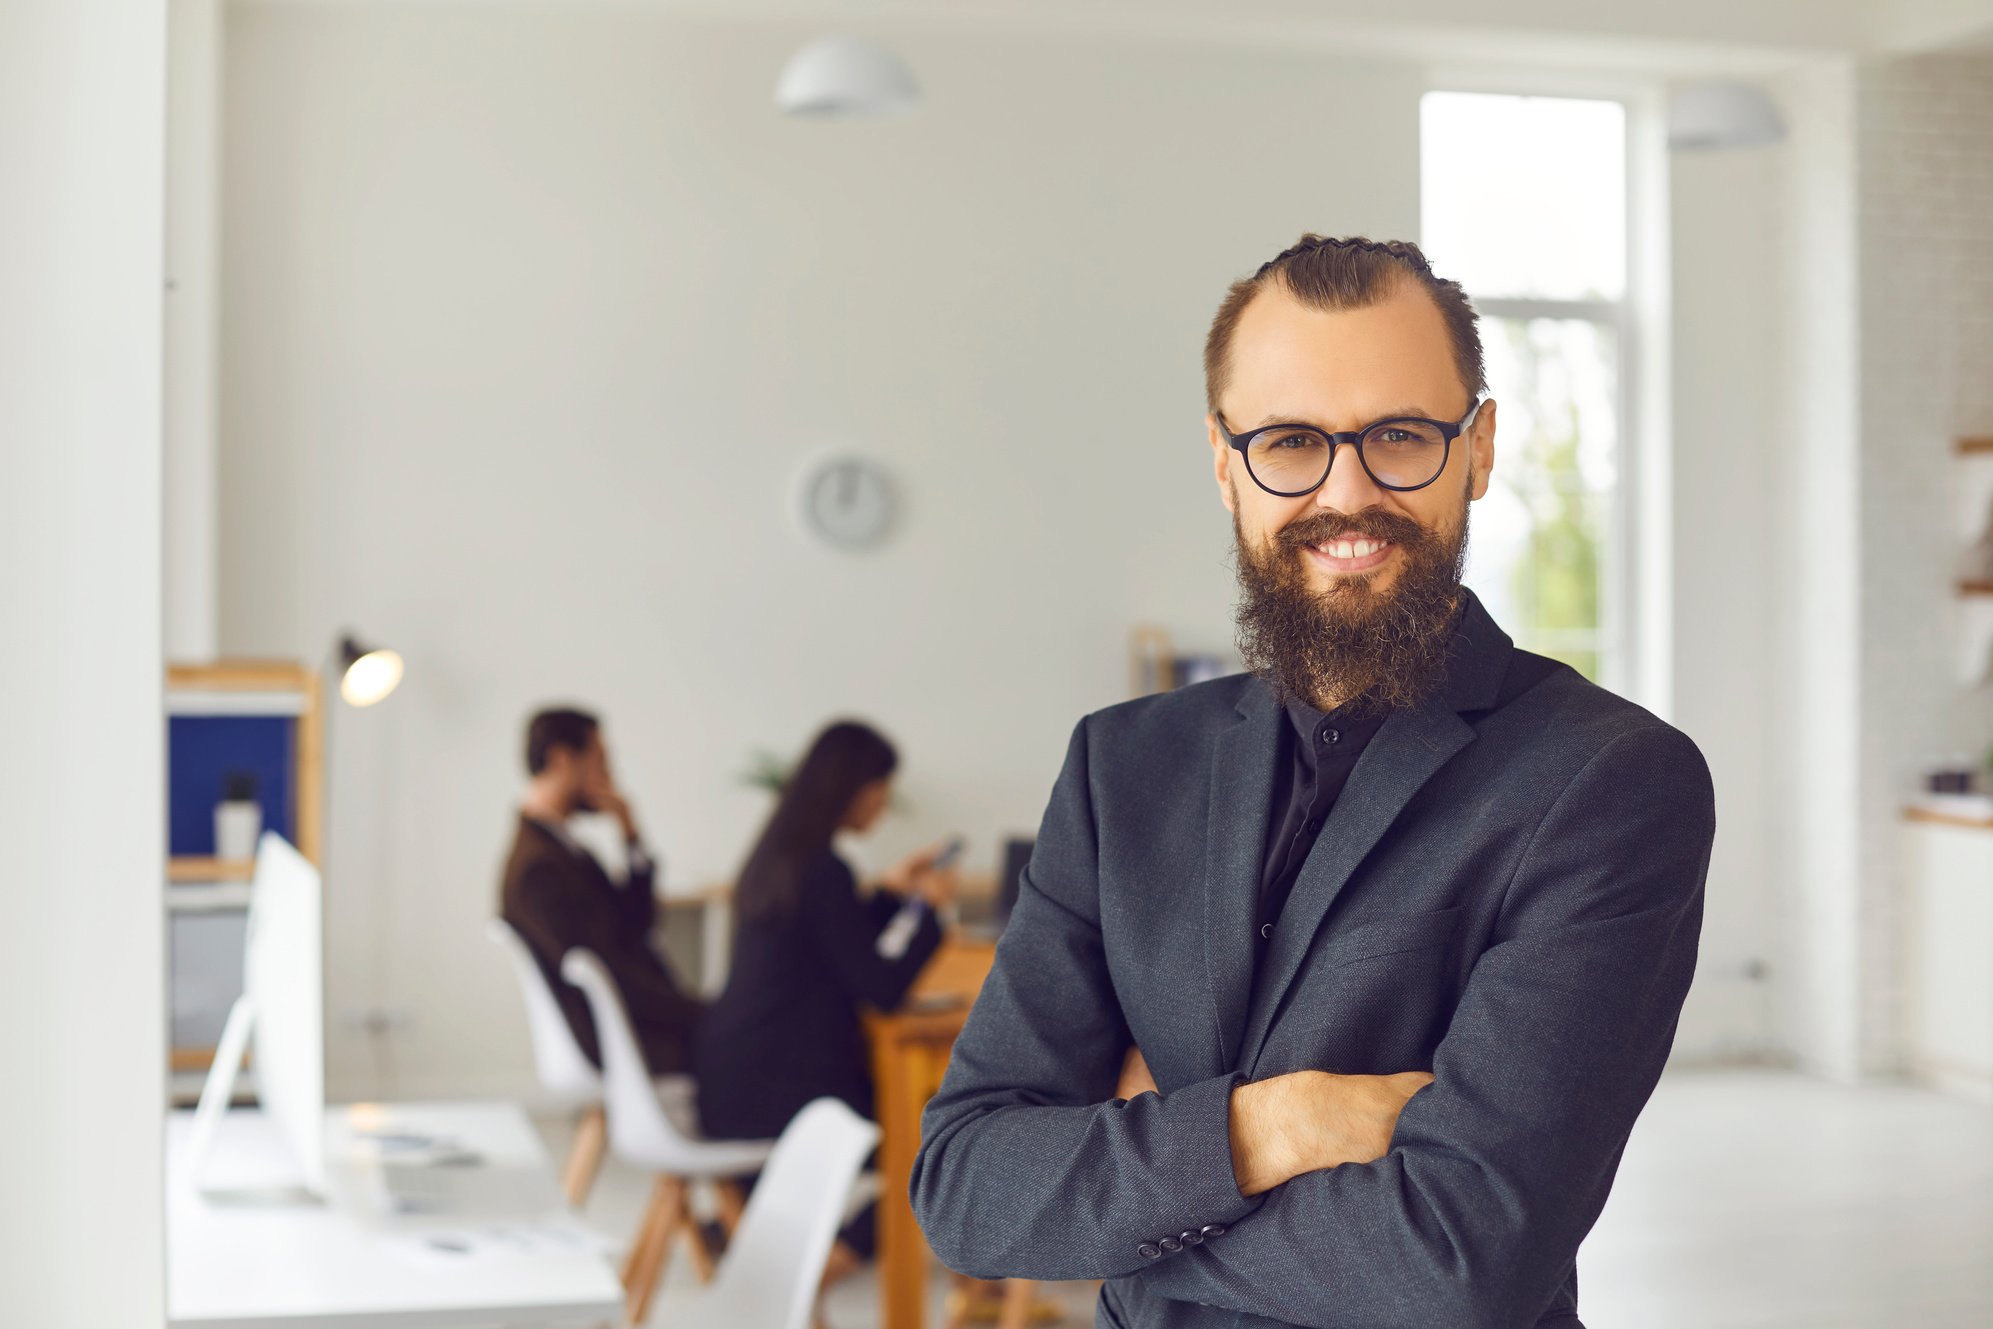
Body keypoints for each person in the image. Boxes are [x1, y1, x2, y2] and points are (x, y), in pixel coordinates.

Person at [910, 236, 1715, 1329]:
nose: (1346, 494)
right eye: (1289, 441)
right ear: (1223, 458)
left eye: (1397, 437)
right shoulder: (1122, 767)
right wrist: (1274, 1128)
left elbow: (1458, 1260)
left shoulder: (1606, 781)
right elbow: (965, 1187)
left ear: (1477, 448)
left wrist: (1125, 1208)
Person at [697, 719, 957, 1282]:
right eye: (881, 787)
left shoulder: (782, 856)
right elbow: (881, 989)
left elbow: (837, 944)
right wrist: (932, 914)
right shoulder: (821, 869)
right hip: (778, 1093)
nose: (885, 803)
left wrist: (890, 893)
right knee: (936, 1149)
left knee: (919, 1134)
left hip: (734, 1078)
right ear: (853, 787)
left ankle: (804, 1263)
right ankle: (817, 1272)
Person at [498, 706, 703, 1074]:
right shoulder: (538, 867)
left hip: (633, 1020)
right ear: (562, 759)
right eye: (601, 760)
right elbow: (608, 973)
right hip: (619, 1035)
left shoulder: (565, 850)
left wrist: (631, 834)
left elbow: (637, 925)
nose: (610, 775)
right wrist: (698, 1012)